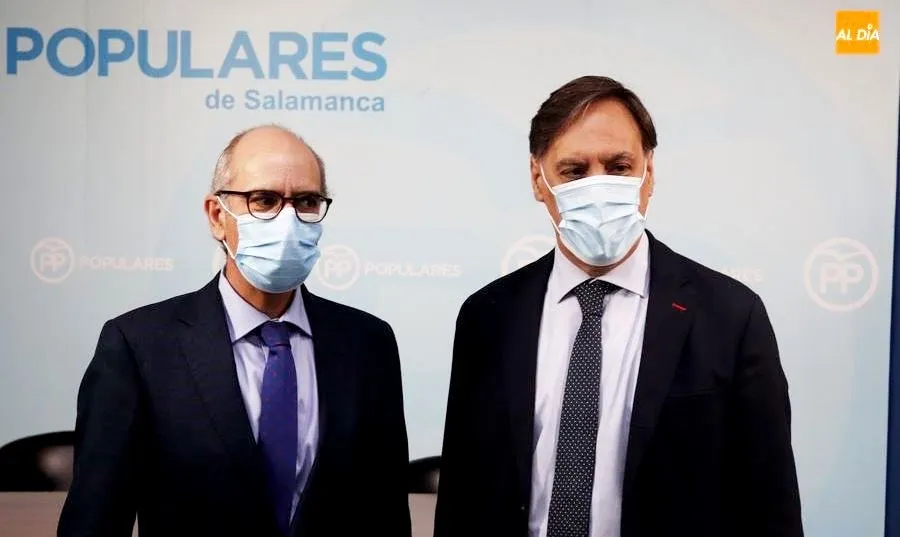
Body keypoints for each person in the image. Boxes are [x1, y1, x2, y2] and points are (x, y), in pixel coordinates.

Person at [434, 76, 803, 537]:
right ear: (537, 179)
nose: (598, 186)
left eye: (618, 165)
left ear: (649, 171)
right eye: (574, 171)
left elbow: (769, 504)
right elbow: (464, 494)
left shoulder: (730, 315)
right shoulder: (487, 316)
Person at [58, 125, 412, 537]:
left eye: (307, 201)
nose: (288, 219)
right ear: (216, 216)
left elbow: (386, 513)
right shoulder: (139, 346)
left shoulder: (368, 343)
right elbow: (96, 518)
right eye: (263, 200)